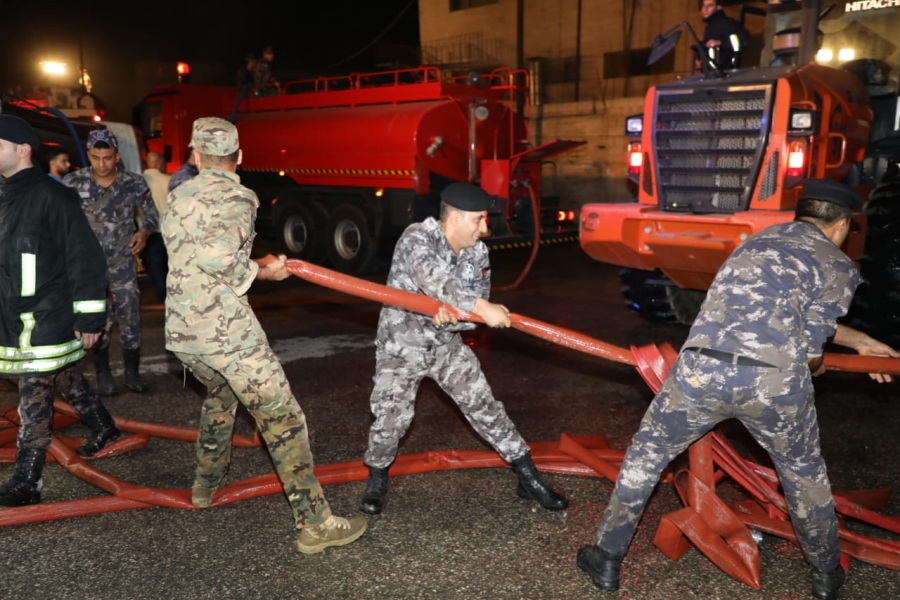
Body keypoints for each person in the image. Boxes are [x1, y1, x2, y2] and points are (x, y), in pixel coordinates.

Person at [576, 179, 899, 600]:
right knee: (803, 475)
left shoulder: (754, 243)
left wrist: (861, 342)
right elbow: (809, 354)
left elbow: (764, 307)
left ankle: (607, 558)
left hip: (701, 371)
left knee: (646, 455)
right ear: (842, 224)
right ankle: (823, 574)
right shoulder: (837, 265)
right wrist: (815, 365)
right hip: (772, 383)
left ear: (800, 213)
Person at [162, 116, 367, 553]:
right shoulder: (237, 197)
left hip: (182, 333)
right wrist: (262, 271)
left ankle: (204, 487)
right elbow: (218, 256)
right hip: (225, 335)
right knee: (283, 419)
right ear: (240, 156)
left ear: (195, 157)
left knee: (220, 398)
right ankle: (316, 525)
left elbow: (191, 251)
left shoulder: (178, 195)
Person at [359, 182, 568, 515]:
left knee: (485, 406)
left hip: (445, 346)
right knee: (392, 420)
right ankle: (377, 478)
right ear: (454, 217)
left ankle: (527, 477)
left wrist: (458, 314)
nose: (484, 229)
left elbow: (470, 314)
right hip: (403, 346)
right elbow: (437, 283)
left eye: (486, 220)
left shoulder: (477, 253)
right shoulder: (417, 238)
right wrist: (472, 307)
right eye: (479, 220)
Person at [0, 116, 120, 507]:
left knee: (34, 392)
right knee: (64, 375)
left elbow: (85, 259)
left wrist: (89, 318)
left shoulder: (53, 196)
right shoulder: (4, 196)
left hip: (48, 311)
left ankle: (27, 481)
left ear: (22, 150)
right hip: (13, 313)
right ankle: (104, 425)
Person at [63, 130, 159, 396]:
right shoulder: (73, 182)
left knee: (130, 315)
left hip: (122, 263)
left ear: (117, 156)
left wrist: (144, 232)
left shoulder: (134, 183)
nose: (102, 164)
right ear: (89, 156)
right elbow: (59, 219)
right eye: (96, 158)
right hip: (88, 268)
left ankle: (132, 373)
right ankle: (103, 373)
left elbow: (152, 215)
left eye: (107, 158)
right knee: (97, 319)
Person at [141, 152, 171, 302]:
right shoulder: (169, 181)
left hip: (148, 235)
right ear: (159, 163)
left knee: (157, 270)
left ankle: (162, 298)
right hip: (170, 233)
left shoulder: (137, 182)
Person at [698, 0, 750, 71]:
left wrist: (720, 42)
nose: (705, 9)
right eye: (703, 5)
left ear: (719, 7)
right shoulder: (710, 26)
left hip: (726, 73)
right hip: (714, 74)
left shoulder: (728, 24)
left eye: (709, 6)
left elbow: (744, 40)